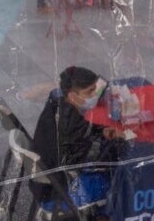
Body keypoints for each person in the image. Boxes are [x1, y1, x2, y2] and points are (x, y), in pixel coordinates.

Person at [31, 66, 121, 210]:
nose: (95, 95)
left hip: (46, 182)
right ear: (73, 96)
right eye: (89, 92)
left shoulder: (59, 99)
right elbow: (84, 160)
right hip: (60, 192)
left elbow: (81, 140)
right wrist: (110, 140)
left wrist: (101, 131)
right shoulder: (69, 122)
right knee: (122, 176)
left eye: (95, 89)